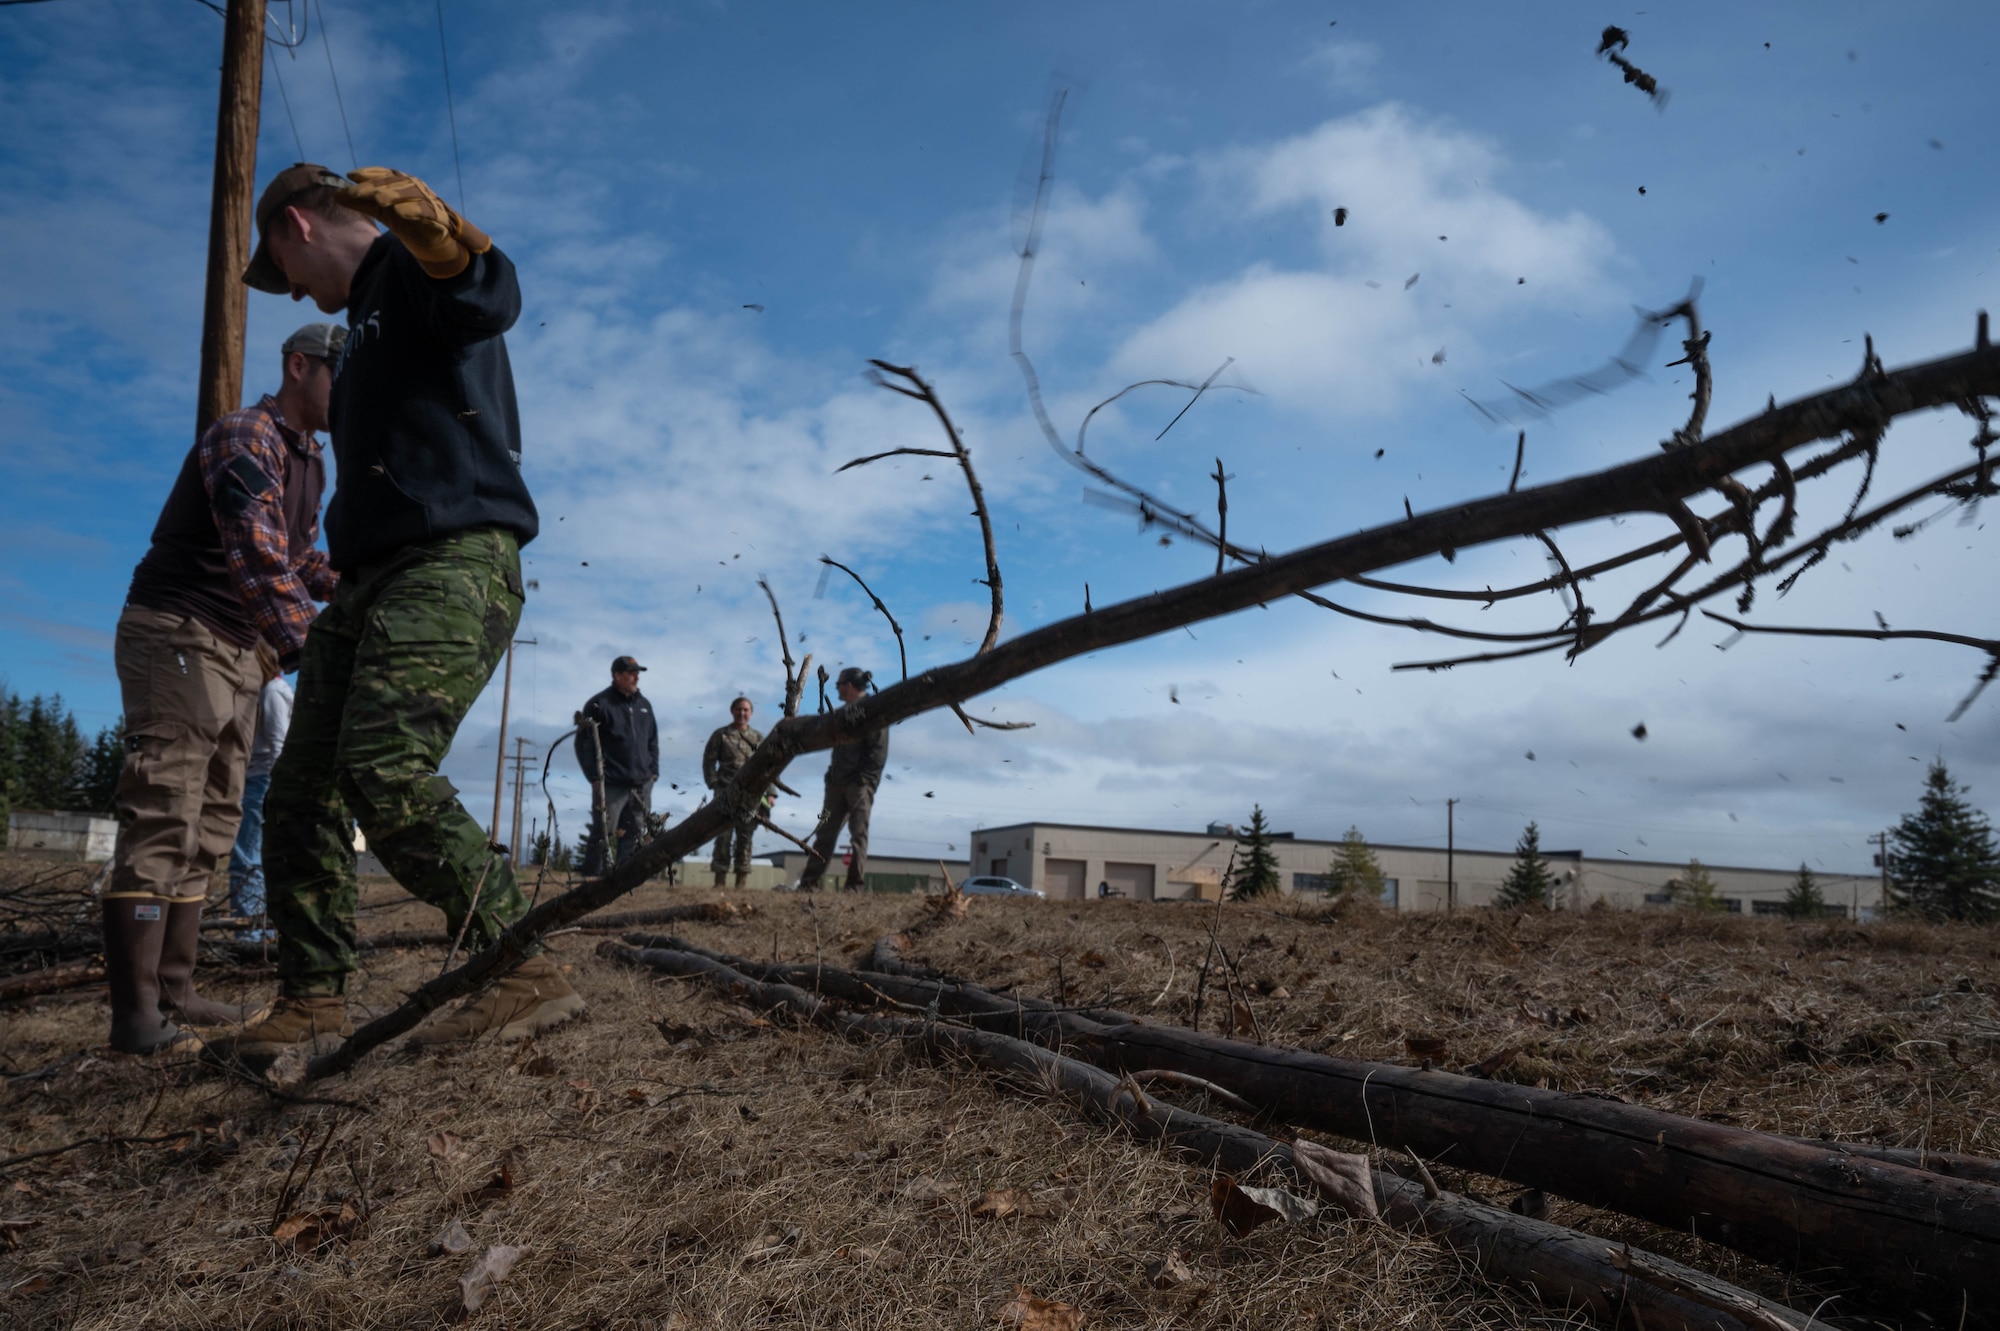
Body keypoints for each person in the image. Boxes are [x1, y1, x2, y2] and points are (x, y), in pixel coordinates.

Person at [222, 162, 582, 1060]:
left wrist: (441, 232)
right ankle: (311, 998)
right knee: (300, 792)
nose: (295, 290)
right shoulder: (359, 334)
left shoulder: (406, 275)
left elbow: (484, 297)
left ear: (297, 228)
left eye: (286, 268)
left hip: (452, 558)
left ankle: (522, 962)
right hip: (366, 577)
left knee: (384, 769)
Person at [105, 321, 342, 1053]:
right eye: (340, 372)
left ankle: (174, 989)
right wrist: (315, 651)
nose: (351, 388)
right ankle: (136, 1017)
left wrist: (363, 583)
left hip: (239, 651)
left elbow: (299, 560)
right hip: (179, 629)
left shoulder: (311, 463)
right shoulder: (245, 436)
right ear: (297, 366)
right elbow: (260, 553)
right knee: (166, 808)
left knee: (212, 820)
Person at [797, 667, 889, 893]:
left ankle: (854, 887)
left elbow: (878, 751)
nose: (836, 688)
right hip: (836, 784)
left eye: (838, 684)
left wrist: (864, 782)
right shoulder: (843, 712)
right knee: (824, 834)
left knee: (858, 834)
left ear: (848, 685)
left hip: (858, 787)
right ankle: (809, 884)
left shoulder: (872, 710)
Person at [227, 640, 292, 941]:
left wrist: (275, 785)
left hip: (263, 780)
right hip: (260, 779)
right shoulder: (270, 691)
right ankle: (261, 934)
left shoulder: (272, 692)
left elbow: (279, 743)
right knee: (255, 859)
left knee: (246, 859)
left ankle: (251, 937)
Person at [575, 656, 659, 875]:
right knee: (603, 832)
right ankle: (591, 878)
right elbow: (583, 744)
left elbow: (653, 741)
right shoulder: (598, 704)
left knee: (634, 832)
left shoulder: (644, 705)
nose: (636, 677)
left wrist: (653, 772)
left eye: (637, 673)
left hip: (641, 783)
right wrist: (594, 777)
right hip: (610, 784)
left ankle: (623, 879)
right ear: (617, 675)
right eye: (631, 673)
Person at [702, 696, 771, 888]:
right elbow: (708, 761)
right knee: (723, 837)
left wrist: (771, 793)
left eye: (746, 710)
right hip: (725, 792)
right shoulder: (721, 735)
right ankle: (719, 881)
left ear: (751, 713)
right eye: (738, 709)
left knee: (745, 837)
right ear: (732, 711)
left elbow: (769, 766)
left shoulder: (758, 738)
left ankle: (741, 882)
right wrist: (714, 783)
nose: (742, 713)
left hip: (751, 795)